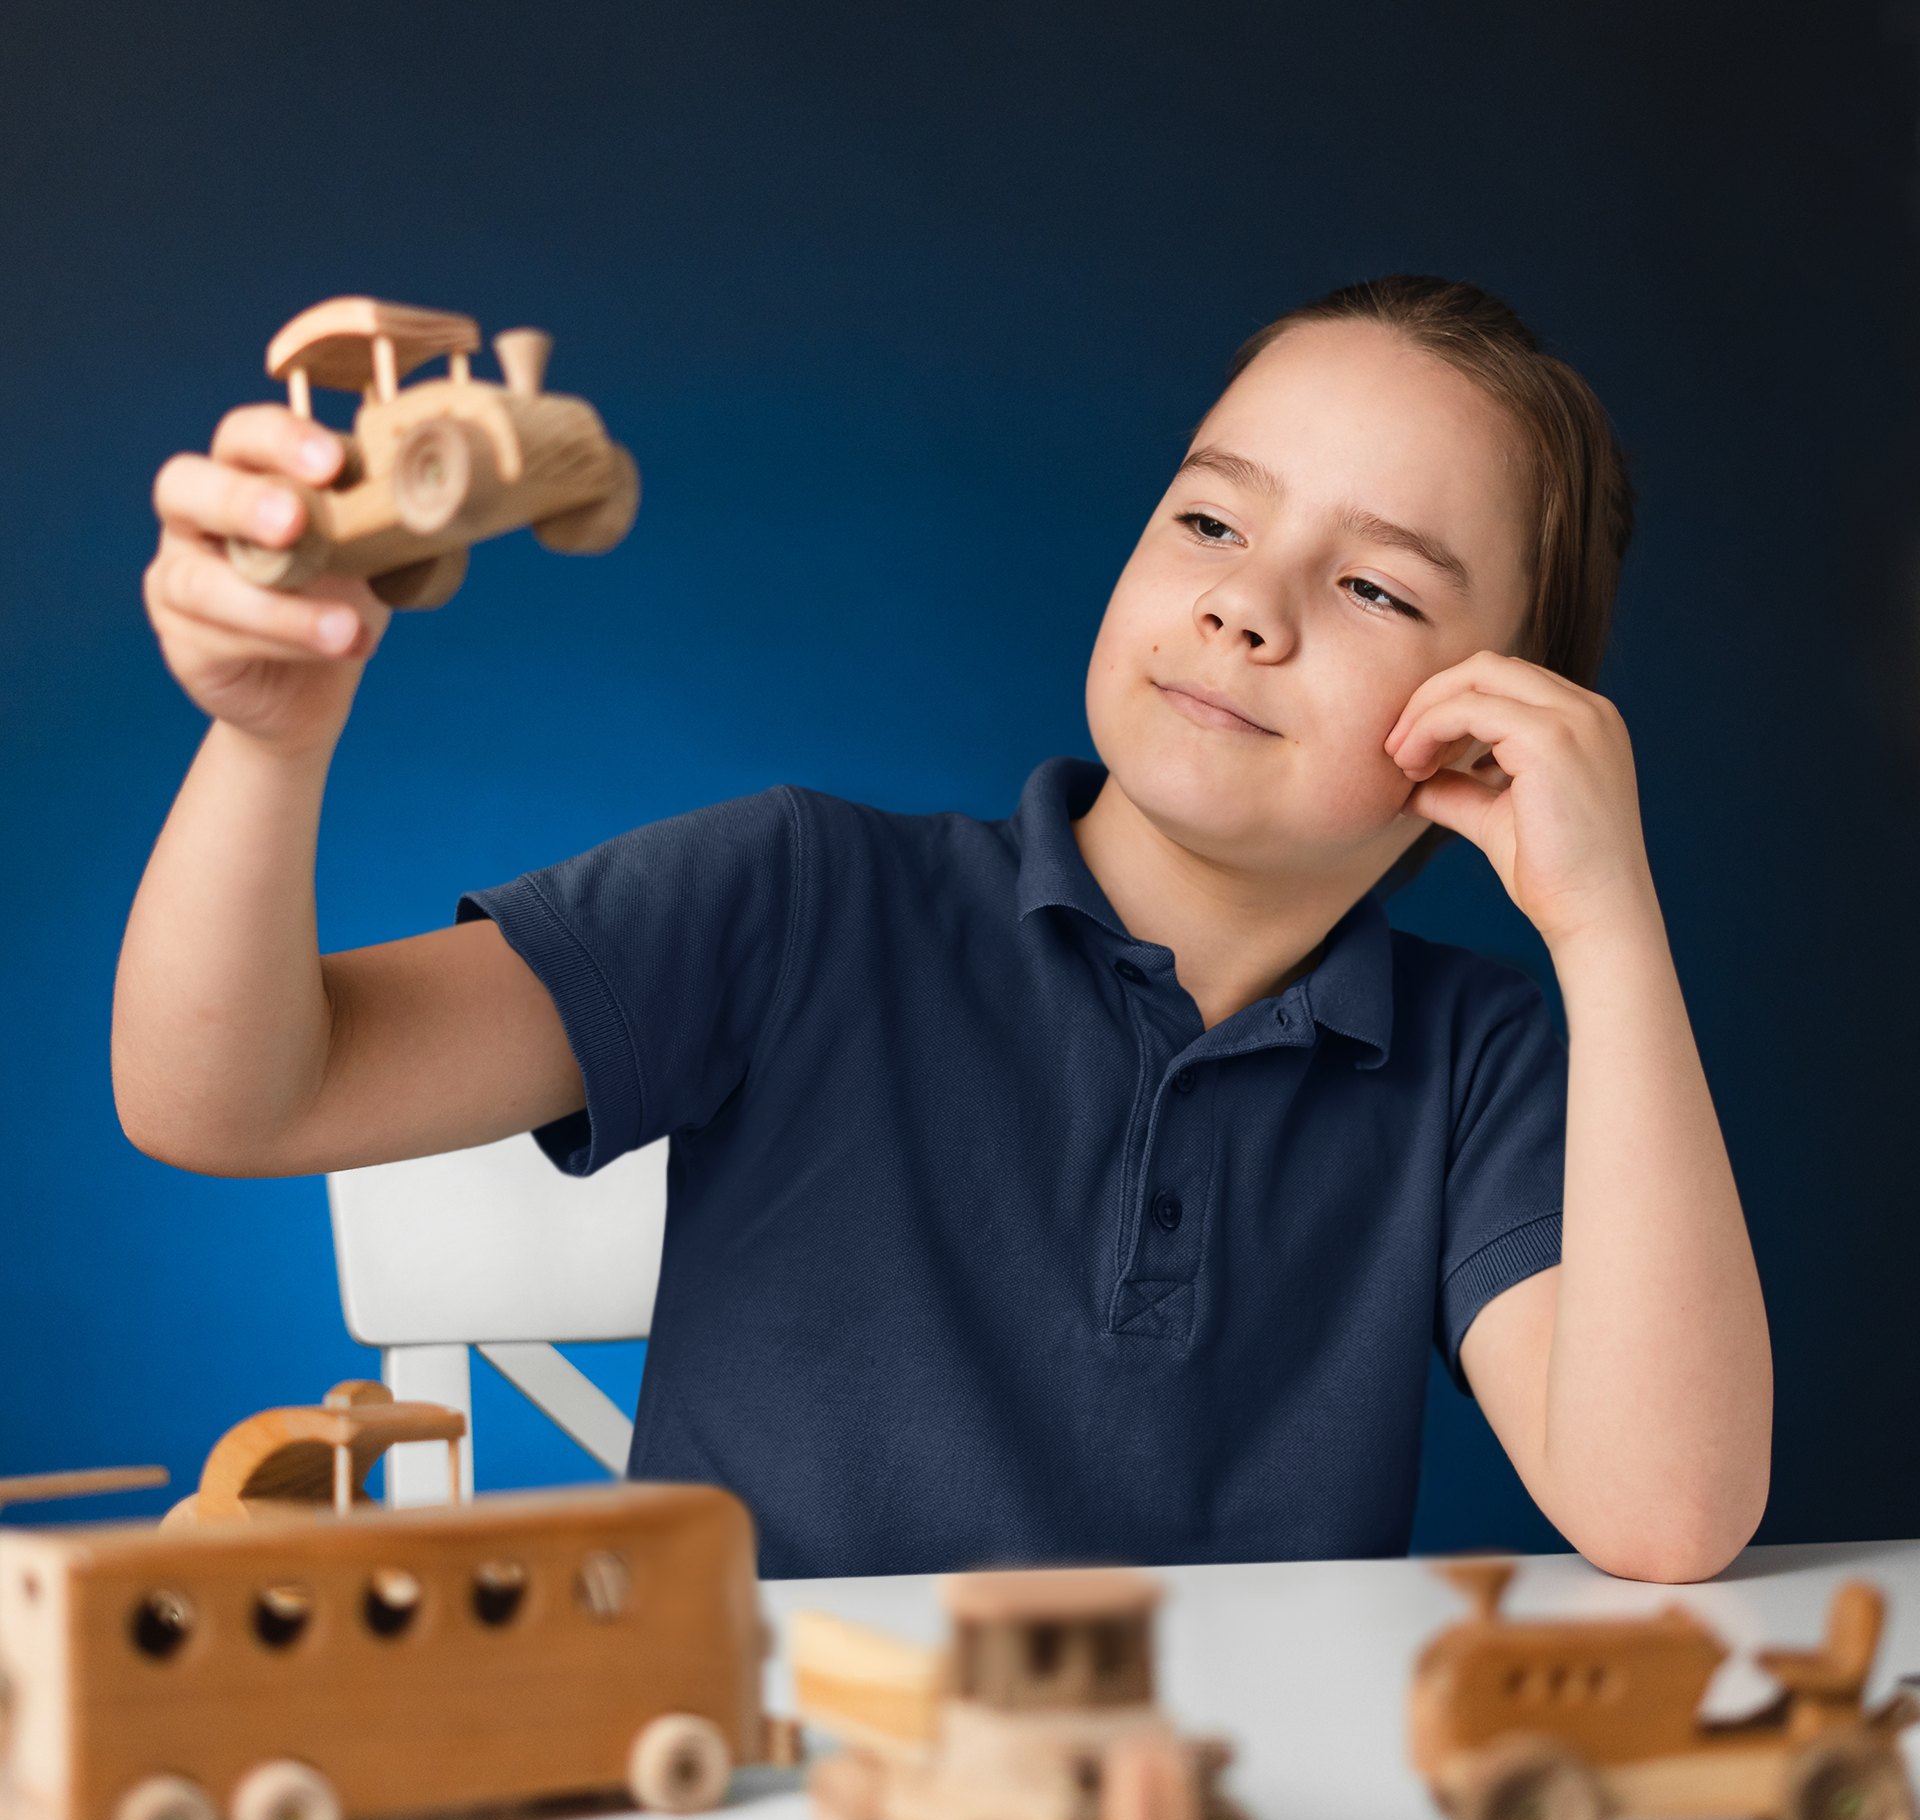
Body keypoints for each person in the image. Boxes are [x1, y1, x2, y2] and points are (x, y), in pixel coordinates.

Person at [117, 277, 1771, 1582]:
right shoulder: (796, 897)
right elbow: (230, 1099)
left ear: (1495, 726)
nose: (1243, 603)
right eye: (1211, 518)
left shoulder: (1481, 1060)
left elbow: (1668, 1514)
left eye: (1379, 589)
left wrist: (1606, 926)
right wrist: (271, 739)